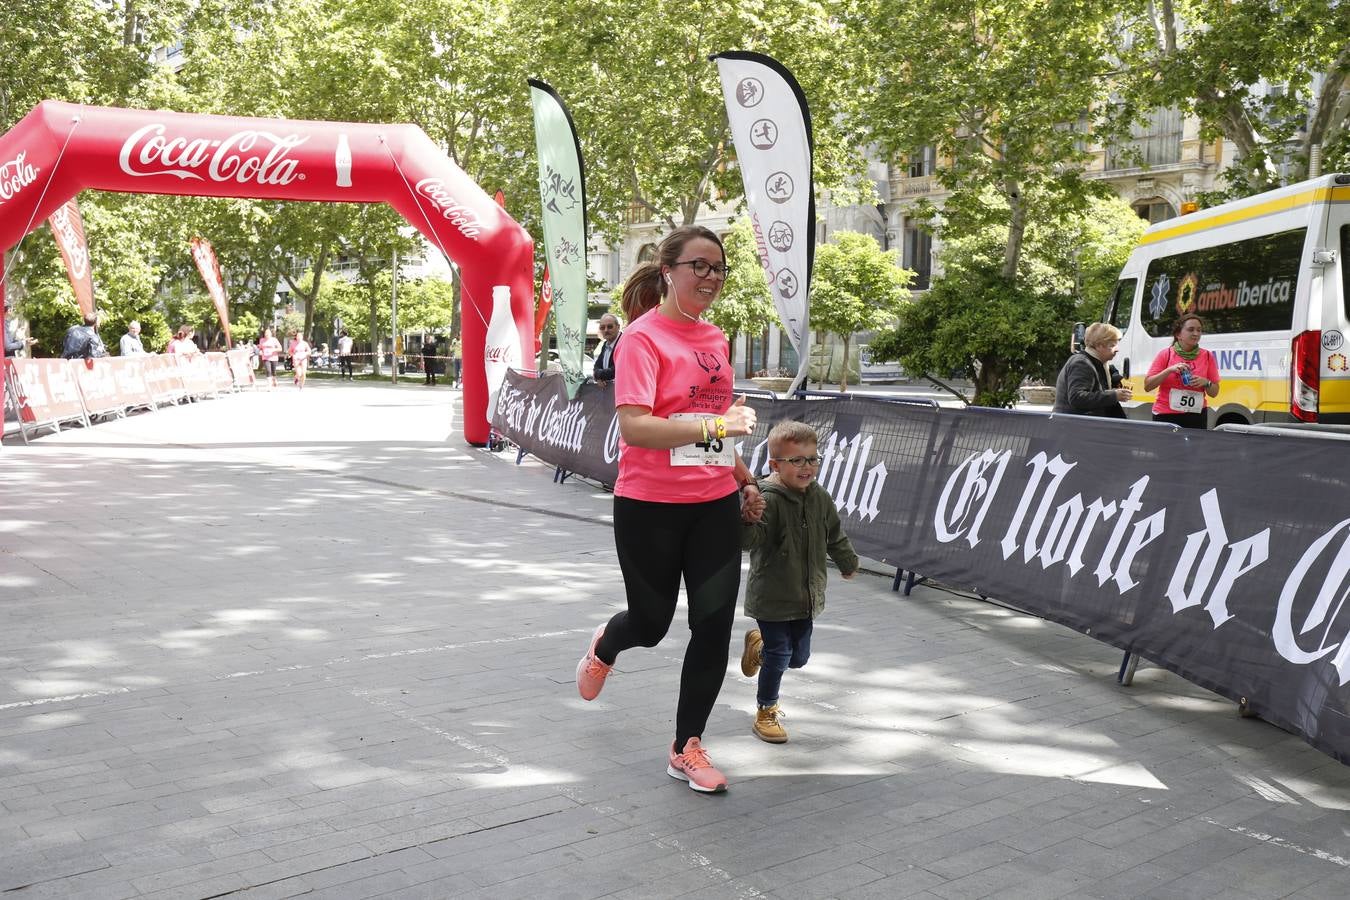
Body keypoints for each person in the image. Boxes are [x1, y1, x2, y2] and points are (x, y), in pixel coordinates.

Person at [574, 225, 765, 795]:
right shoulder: (641, 339)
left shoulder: (716, 338)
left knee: (714, 627)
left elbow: (712, 424)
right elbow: (635, 426)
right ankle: (606, 645)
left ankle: (686, 747)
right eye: (699, 266)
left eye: (718, 268)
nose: (710, 277)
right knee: (652, 625)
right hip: (649, 506)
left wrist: (743, 478)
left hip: (712, 505)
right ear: (669, 271)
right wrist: (717, 424)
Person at [739, 420, 860, 744]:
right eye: (797, 461)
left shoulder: (819, 497)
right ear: (775, 464)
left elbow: (834, 533)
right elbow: (748, 541)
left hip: (806, 596)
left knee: (798, 658)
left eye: (812, 459)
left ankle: (759, 646)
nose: (807, 467)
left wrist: (847, 561)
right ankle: (766, 710)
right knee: (781, 655)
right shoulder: (769, 498)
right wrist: (746, 519)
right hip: (772, 596)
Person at [1144, 313, 1220, 429]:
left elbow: (1214, 393)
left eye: (1199, 330)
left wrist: (1206, 383)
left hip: (1196, 415)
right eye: (1191, 330)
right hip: (1166, 415)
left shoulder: (1207, 356)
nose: (1196, 334)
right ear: (1178, 334)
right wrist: (1169, 370)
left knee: (1194, 447)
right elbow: (1147, 386)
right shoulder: (1166, 354)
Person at [1051, 322, 1131, 418]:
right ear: (1099, 346)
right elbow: (1077, 398)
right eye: (1112, 345)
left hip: (1082, 425)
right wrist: (1113, 396)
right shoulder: (1082, 363)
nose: (1117, 349)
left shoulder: (1098, 362)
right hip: (1075, 426)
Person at [592, 314, 622, 384]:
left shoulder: (624, 343)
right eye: (602, 327)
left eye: (610, 327)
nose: (606, 330)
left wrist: (599, 375)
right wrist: (599, 377)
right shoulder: (605, 344)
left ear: (618, 327)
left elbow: (616, 370)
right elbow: (597, 366)